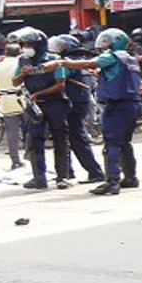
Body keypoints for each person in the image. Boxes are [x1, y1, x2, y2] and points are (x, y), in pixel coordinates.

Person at [42, 28, 142, 196]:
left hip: (116, 106)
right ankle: (130, 177)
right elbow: (113, 74)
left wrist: (61, 63)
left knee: (111, 143)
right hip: (132, 104)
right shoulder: (129, 58)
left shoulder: (111, 56)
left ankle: (112, 181)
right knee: (124, 142)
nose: (103, 44)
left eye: (106, 41)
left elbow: (90, 63)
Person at [12, 27, 71, 190]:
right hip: (34, 105)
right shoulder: (23, 61)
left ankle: (62, 177)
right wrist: (22, 74)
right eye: (23, 45)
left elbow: (60, 85)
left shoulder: (54, 60)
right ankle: (39, 178)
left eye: (29, 44)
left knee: (60, 139)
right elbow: (15, 82)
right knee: (34, 141)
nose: (26, 48)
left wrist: (39, 93)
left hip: (55, 103)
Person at [47, 34, 106, 184]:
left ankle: (95, 172)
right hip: (80, 102)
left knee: (76, 138)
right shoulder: (81, 60)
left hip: (73, 103)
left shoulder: (69, 63)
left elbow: (58, 79)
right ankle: (67, 171)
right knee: (68, 137)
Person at [0, 43, 26, 170]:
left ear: (5, 53)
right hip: (25, 99)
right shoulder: (23, 64)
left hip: (6, 101)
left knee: (11, 131)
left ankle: (15, 160)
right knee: (30, 129)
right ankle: (32, 155)